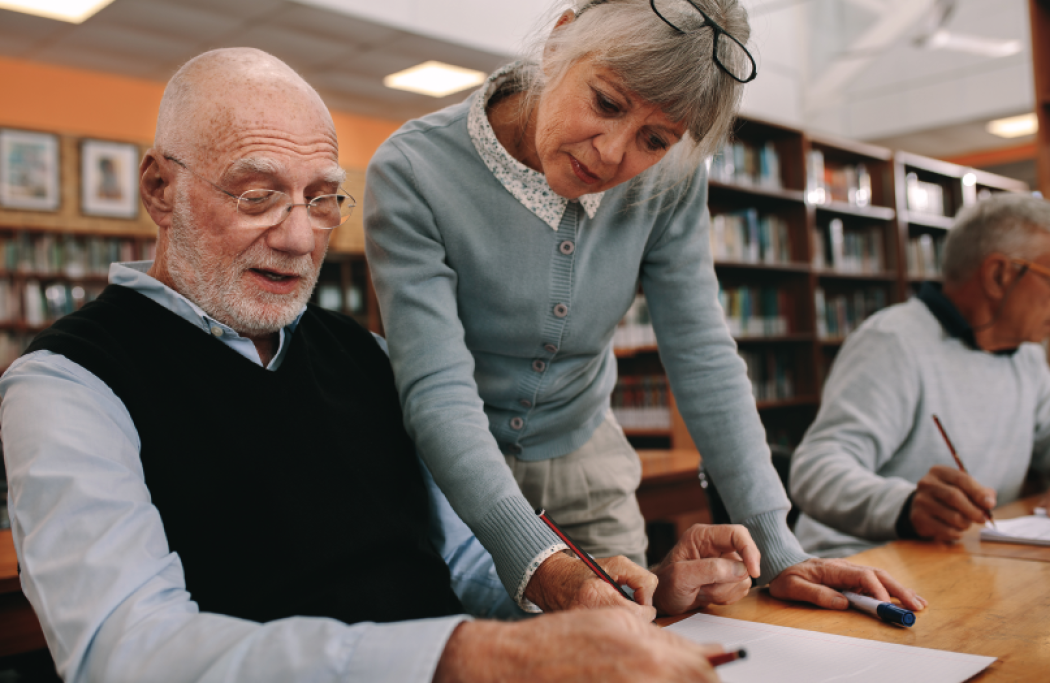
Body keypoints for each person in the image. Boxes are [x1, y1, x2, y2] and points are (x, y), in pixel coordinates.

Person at [1, 47, 755, 683]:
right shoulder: (67, 385)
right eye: (259, 194)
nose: (300, 239)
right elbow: (126, 649)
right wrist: (462, 655)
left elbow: (470, 562)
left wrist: (608, 599)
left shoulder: (367, 355)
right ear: (160, 190)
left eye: (324, 200)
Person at [364, 0, 925, 616]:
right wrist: (537, 560)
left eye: (654, 140)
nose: (610, 154)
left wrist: (777, 544)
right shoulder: (414, 169)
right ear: (561, 41)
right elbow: (437, 389)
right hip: (439, 472)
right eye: (606, 102)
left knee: (637, 637)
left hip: (584, 457)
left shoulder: (672, 180)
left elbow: (703, 354)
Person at [790, 193, 1050, 557]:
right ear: (998, 275)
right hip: (863, 562)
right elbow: (814, 471)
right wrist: (906, 505)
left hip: (964, 559)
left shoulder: (1027, 357)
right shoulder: (892, 342)